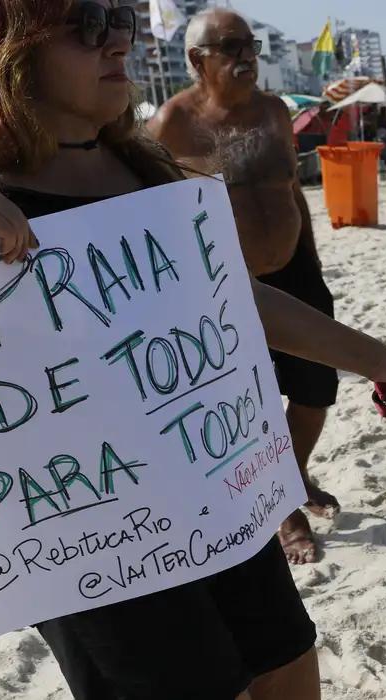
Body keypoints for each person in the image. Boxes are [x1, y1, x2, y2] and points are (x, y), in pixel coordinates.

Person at [0, 2, 386, 698]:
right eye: (86, 22)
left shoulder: (147, 170)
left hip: (212, 497)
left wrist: (374, 357)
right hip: (90, 546)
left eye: (119, 14)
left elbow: (234, 298)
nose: (119, 37)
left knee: (288, 667)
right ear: (10, 49)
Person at [148, 8, 337, 566]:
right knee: (251, 405)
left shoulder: (277, 111)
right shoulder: (172, 125)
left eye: (249, 44)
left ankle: (292, 473)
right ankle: (285, 512)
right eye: (229, 46)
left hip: (296, 273)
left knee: (314, 392)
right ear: (196, 60)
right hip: (225, 289)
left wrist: (313, 262)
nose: (245, 56)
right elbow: (150, 217)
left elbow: (292, 192)